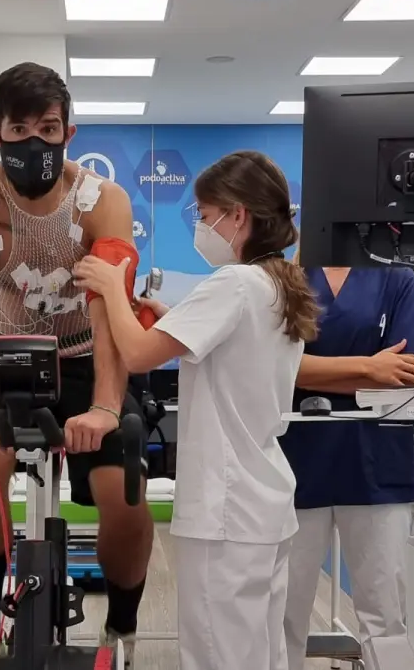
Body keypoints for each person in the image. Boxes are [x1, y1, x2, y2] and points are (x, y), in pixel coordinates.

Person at [0, 62, 152, 669]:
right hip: (9, 360)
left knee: (123, 495)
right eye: (19, 129)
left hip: (85, 356)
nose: (35, 142)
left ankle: (123, 627)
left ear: (68, 134)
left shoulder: (102, 202)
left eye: (49, 129)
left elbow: (109, 314)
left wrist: (106, 406)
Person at [72, 150, 320, 670]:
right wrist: (169, 317)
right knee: (262, 654)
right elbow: (228, 346)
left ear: (238, 215)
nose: (201, 228)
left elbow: (137, 354)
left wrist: (111, 288)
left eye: (206, 216)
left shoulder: (234, 284)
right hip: (264, 504)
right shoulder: (276, 283)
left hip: (226, 513)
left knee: (217, 656)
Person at [277, 261, 414, 670]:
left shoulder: (396, 278)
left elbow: (404, 373)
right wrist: (370, 368)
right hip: (297, 463)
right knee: (283, 614)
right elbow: (276, 368)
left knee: (386, 618)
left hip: (377, 463)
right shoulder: (288, 276)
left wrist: (310, 374)